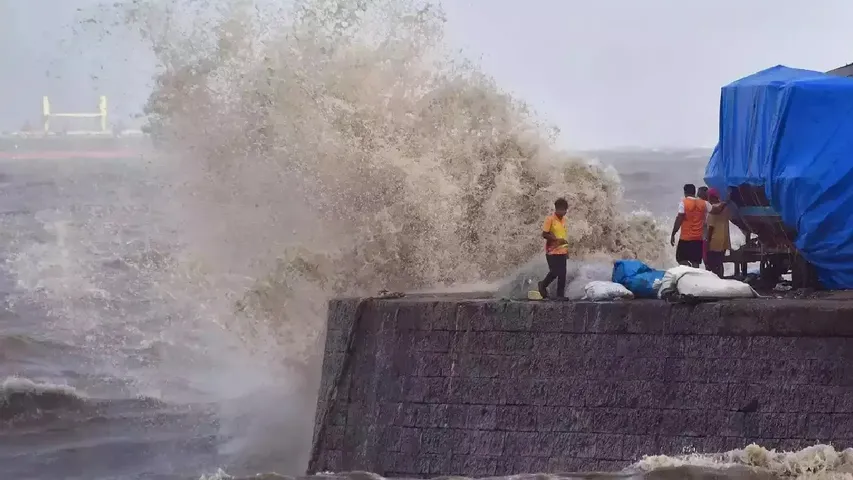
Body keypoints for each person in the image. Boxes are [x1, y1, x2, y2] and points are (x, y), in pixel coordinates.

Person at [670, 184, 727, 267]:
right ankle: (695, 276)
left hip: (685, 238)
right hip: (698, 239)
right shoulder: (704, 203)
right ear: (694, 192)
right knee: (695, 261)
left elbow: (679, 219)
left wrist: (673, 233)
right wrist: (724, 203)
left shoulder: (684, 203)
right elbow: (717, 211)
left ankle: (688, 270)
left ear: (685, 192)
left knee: (680, 259)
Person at [538, 198, 569, 300]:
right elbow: (544, 234)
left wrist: (566, 250)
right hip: (552, 251)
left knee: (563, 274)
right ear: (557, 209)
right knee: (555, 272)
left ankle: (560, 295)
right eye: (561, 210)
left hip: (562, 251)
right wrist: (556, 240)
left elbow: (563, 235)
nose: (563, 212)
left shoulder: (564, 220)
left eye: (565, 210)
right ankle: (542, 284)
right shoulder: (550, 219)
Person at [705, 188, 731, 277]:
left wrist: (707, 242)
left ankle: (714, 281)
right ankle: (720, 279)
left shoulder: (712, 210)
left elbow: (710, 227)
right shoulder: (725, 208)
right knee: (719, 263)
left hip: (714, 241)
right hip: (724, 240)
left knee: (710, 264)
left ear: (711, 197)